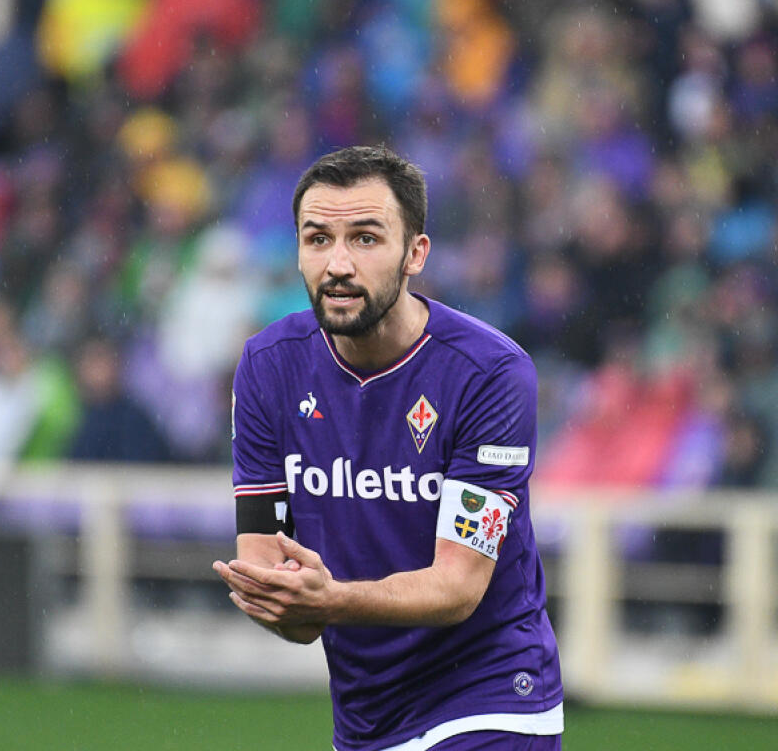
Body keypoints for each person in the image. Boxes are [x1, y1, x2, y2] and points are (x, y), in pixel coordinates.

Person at [212, 146, 563, 750]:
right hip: (365, 714)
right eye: (317, 239)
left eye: (366, 239)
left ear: (415, 254)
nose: (338, 264)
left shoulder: (489, 373)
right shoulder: (267, 367)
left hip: (493, 696)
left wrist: (331, 600)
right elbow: (275, 585)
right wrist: (288, 602)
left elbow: (458, 589)